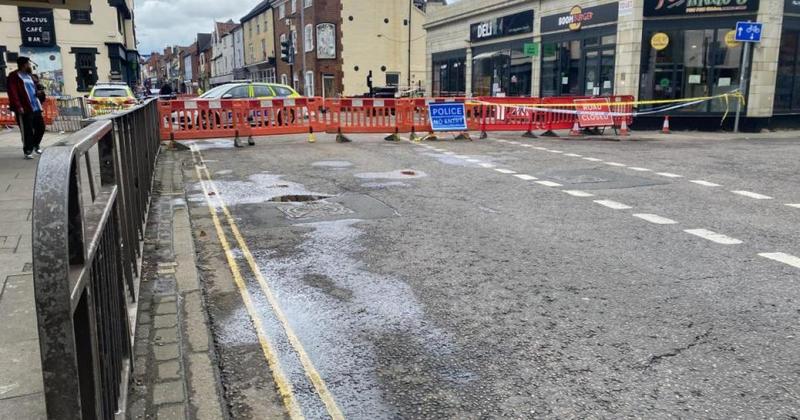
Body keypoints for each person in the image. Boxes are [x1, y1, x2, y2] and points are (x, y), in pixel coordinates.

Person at [7, 56, 46, 160]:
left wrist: (40, 92)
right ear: (23, 65)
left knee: (41, 127)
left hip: (35, 106)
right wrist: (18, 106)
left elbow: (37, 88)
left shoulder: (31, 76)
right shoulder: (14, 76)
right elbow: (13, 92)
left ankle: (35, 144)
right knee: (27, 130)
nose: (30, 65)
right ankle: (28, 150)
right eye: (28, 64)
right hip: (24, 107)